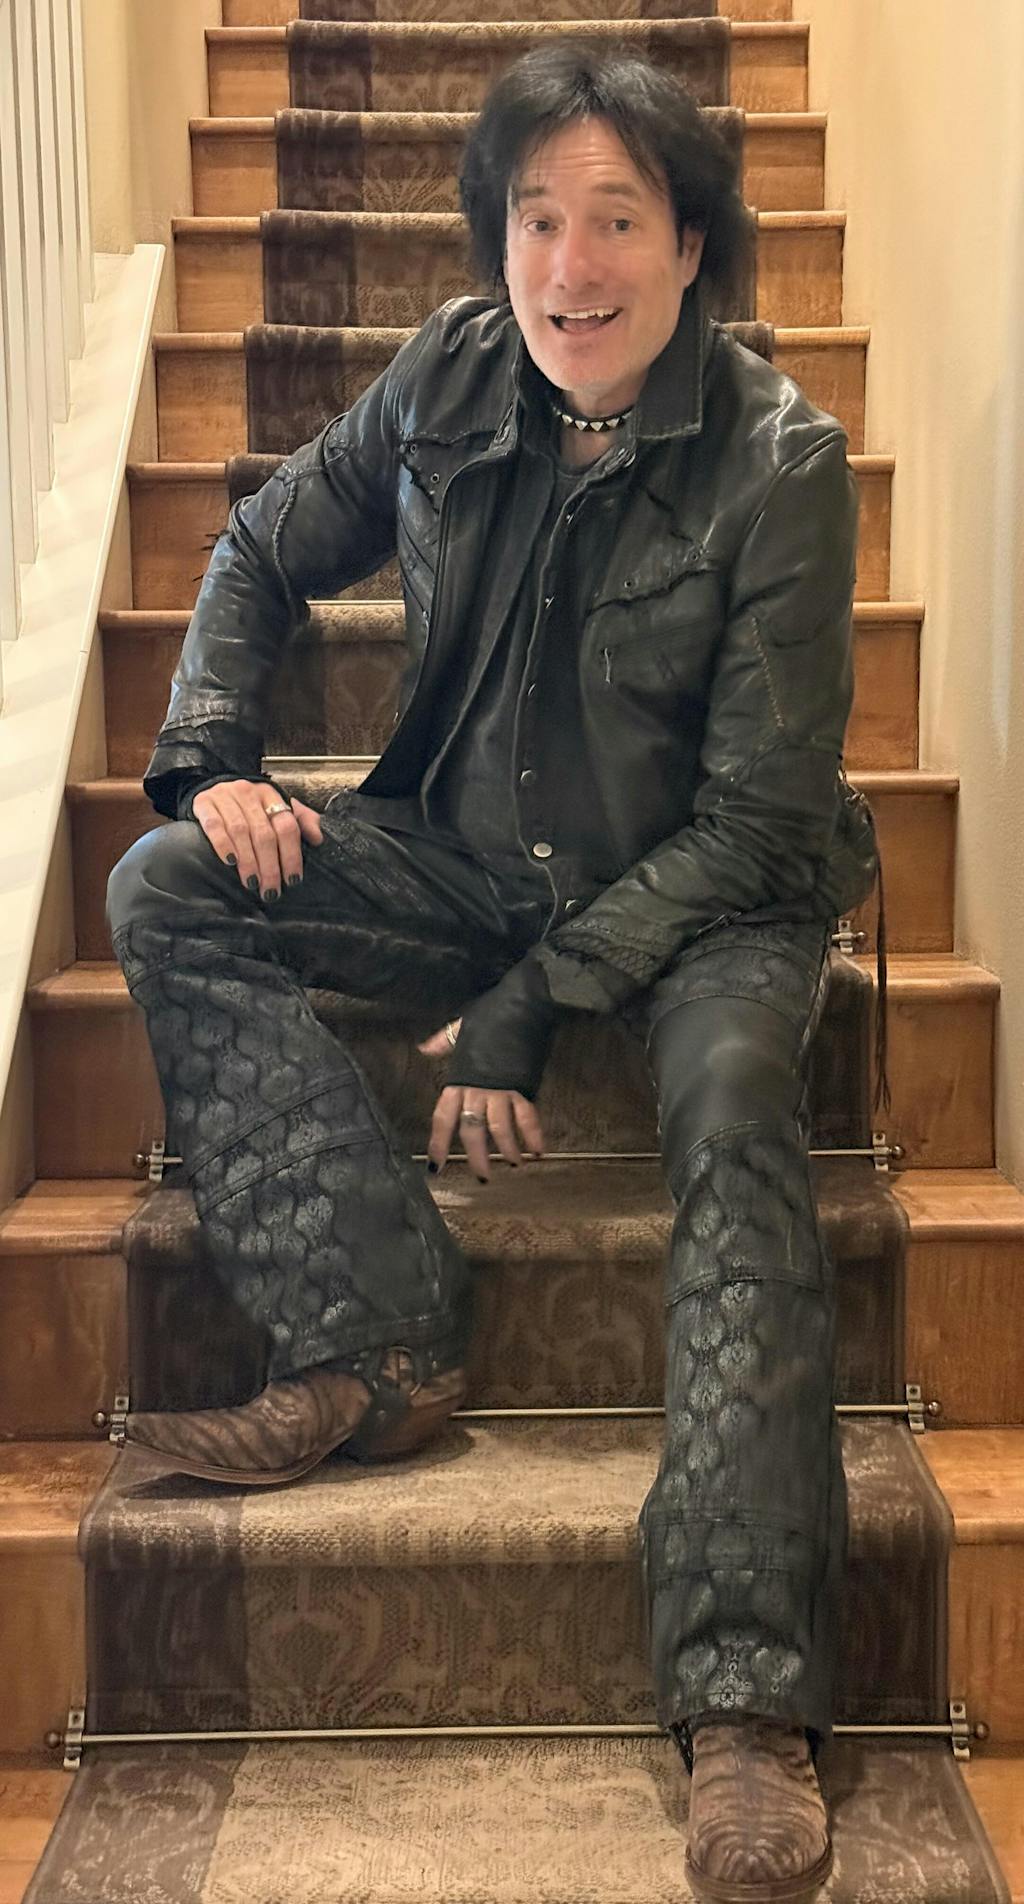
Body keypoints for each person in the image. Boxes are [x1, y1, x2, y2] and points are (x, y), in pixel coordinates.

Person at [106, 44, 878, 1904]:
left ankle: (746, 1695)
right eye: (537, 220)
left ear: (690, 246)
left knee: (734, 1112)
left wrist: (538, 1002)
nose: (570, 267)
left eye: (616, 220)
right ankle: (375, 1335)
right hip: (459, 857)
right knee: (163, 885)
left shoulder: (780, 461)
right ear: (497, 240)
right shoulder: (448, 373)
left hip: (708, 901)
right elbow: (261, 546)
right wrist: (213, 760)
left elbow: (761, 824)